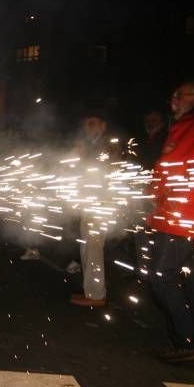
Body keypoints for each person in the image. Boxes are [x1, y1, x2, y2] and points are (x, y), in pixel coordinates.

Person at [146, 81, 194, 363]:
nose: (173, 101)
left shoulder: (192, 123)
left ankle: (186, 340)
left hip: (183, 217)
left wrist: (151, 195)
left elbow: (169, 168)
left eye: (178, 95)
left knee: (161, 275)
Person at [69, 111, 123, 307]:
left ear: (103, 125)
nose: (87, 128)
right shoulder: (89, 146)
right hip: (90, 202)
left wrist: (83, 156)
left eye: (92, 123)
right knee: (87, 246)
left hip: (101, 204)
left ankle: (96, 294)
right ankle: (90, 291)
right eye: (86, 124)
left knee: (93, 248)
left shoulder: (109, 144)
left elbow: (108, 169)